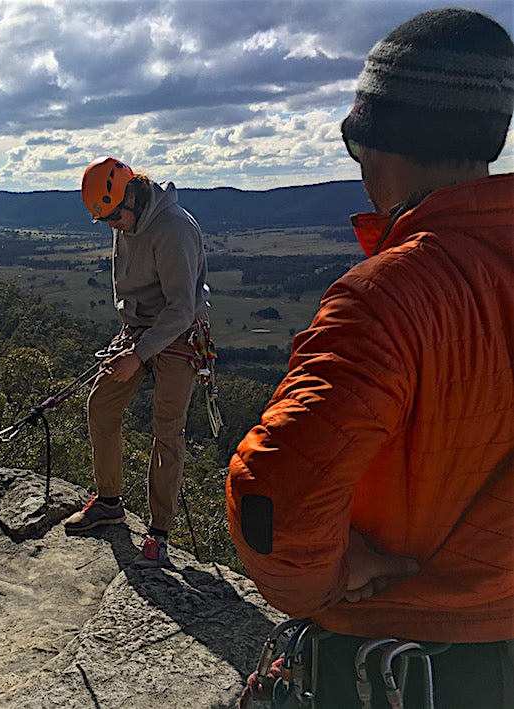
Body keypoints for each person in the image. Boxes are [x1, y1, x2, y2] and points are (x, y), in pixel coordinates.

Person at [227, 9, 514, 708]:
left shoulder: (387, 296)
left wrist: (328, 574)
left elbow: (271, 498)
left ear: (378, 141)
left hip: (391, 663)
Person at [64, 157, 209, 569]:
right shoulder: (126, 218)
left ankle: (159, 531)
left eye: (114, 217)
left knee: (167, 429)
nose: (113, 227)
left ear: (131, 195)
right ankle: (109, 502)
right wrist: (130, 344)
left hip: (178, 331)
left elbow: (181, 309)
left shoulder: (174, 228)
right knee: (102, 405)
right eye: (106, 220)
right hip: (139, 328)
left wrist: (139, 355)